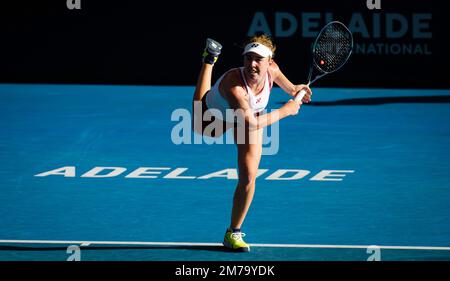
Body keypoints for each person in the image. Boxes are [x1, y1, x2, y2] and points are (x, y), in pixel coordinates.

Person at [192, 35, 312, 252]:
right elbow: (254, 123)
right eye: (248, 58)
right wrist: (287, 110)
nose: (252, 64)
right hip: (216, 115)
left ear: (269, 61)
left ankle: (233, 233)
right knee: (201, 129)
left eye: (258, 59)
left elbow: (291, 88)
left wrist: (297, 89)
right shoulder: (234, 87)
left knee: (248, 176)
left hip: (248, 114)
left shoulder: (273, 70)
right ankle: (209, 60)